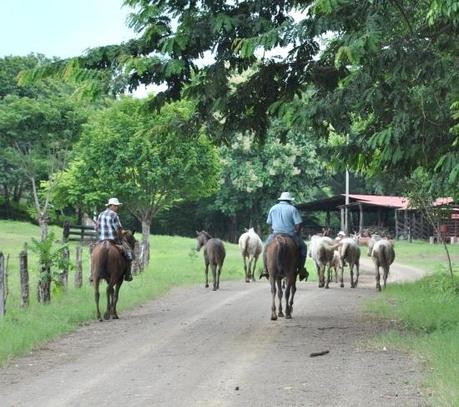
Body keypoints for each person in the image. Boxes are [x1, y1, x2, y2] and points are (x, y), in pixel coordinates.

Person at [261, 192, 308, 281]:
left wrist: (272, 233)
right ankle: (301, 269)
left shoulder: (273, 208)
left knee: (265, 248)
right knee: (304, 247)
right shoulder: (292, 209)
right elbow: (298, 224)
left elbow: (269, 224)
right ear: (289, 200)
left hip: (275, 234)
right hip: (290, 234)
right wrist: (297, 233)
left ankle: (265, 269)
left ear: (281, 199)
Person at [95, 197, 133, 281]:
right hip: (113, 240)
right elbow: (118, 229)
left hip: (101, 241)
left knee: (92, 254)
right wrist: (121, 235)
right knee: (128, 253)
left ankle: (92, 274)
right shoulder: (114, 215)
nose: (117, 207)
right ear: (111, 205)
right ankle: (128, 274)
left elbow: (96, 228)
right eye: (116, 206)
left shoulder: (101, 214)